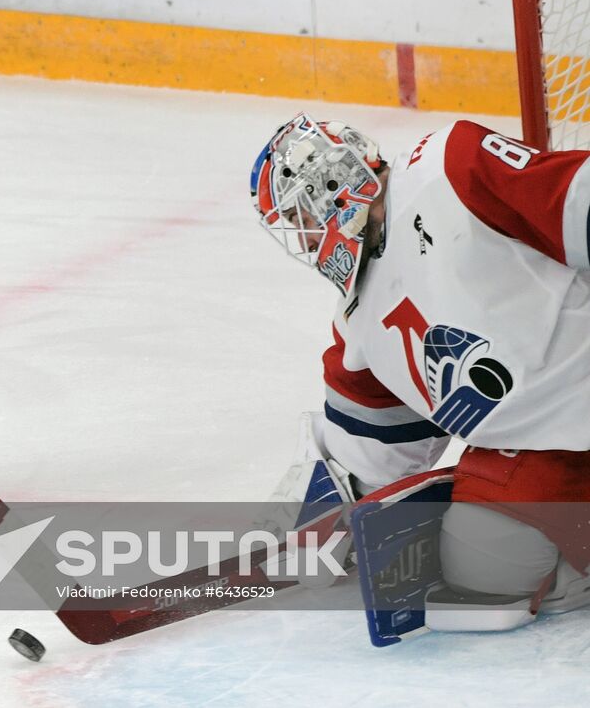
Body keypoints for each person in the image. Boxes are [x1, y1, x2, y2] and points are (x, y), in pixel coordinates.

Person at [250, 113, 590, 630]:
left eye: (302, 219)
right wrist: (325, 519)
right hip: (545, 449)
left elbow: (573, 202)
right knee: (483, 570)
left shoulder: (447, 166)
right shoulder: (360, 324)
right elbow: (369, 456)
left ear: (332, 190)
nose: (306, 239)